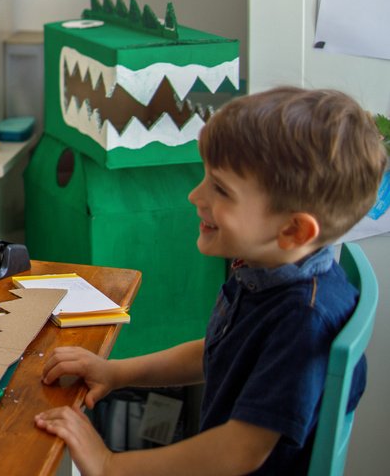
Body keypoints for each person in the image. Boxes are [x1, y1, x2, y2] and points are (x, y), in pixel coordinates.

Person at [34, 87, 385, 475]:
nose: (194, 195)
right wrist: (117, 373)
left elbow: (237, 452)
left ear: (293, 229)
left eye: (220, 189)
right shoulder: (264, 271)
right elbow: (221, 353)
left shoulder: (303, 321)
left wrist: (109, 464)